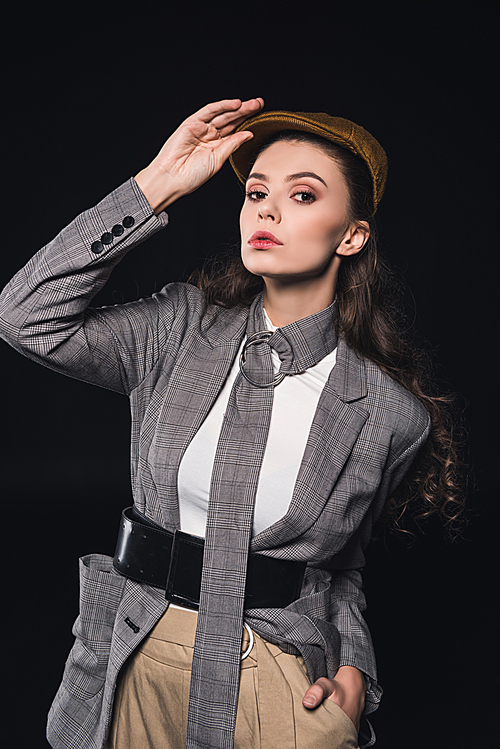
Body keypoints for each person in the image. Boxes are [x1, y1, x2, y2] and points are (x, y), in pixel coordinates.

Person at [0, 98, 463, 749]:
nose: (267, 210)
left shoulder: (389, 414)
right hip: (142, 659)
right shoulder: (177, 327)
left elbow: (344, 567)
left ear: (352, 235)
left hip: (278, 683)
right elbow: (25, 317)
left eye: (303, 195)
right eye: (255, 192)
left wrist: (356, 667)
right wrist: (155, 184)